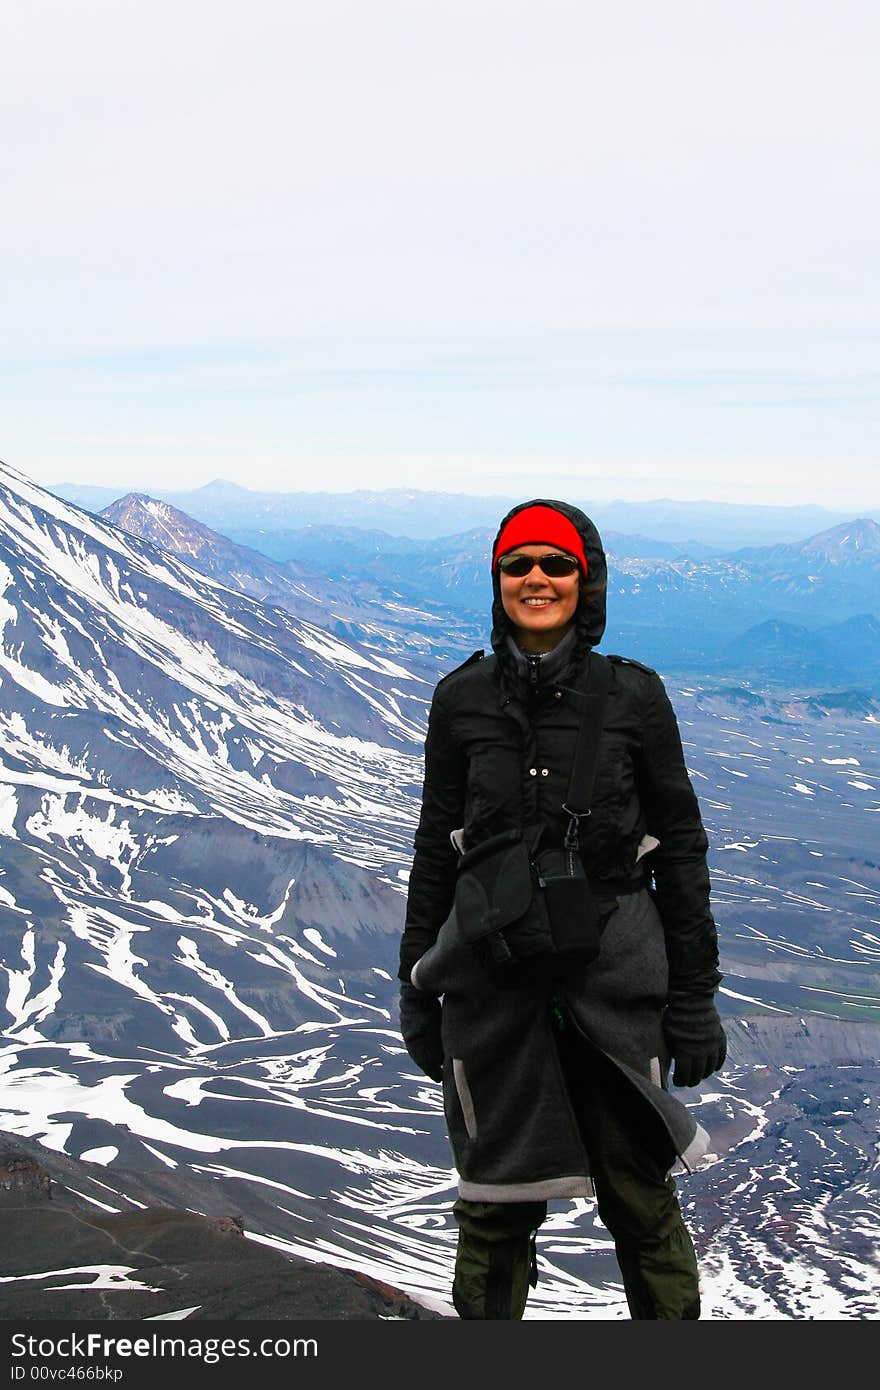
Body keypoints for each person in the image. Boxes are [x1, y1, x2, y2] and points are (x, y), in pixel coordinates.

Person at [398, 498, 726, 1321]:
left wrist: (693, 1002)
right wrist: (416, 991)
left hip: (612, 988)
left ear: (588, 579)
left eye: (557, 564)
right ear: (497, 581)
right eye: (518, 564)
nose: (537, 578)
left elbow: (681, 850)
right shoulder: (460, 700)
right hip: (493, 987)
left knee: (640, 1201)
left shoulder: (634, 700)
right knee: (493, 1211)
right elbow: (436, 850)